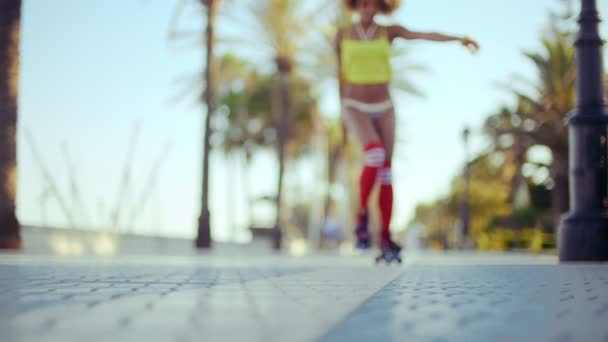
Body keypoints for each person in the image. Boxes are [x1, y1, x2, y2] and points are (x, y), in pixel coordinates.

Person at [335, 0, 479, 255]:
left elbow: (424, 35)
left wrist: (460, 39)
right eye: (364, 3)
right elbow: (340, 76)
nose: (369, 8)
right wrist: (343, 122)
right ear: (355, 5)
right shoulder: (342, 34)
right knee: (375, 154)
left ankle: (386, 236)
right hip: (354, 105)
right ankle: (361, 218)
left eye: (374, 4)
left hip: (385, 106)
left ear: (381, 6)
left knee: (386, 171)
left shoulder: (388, 32)